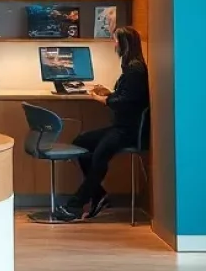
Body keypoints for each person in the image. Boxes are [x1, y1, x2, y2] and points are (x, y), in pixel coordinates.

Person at [56, 27, 150, 223]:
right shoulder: (130, 67)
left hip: (128, 130)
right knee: (81, 142)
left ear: (124, 43)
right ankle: (98, 194)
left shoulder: (135, 69)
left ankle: (75, 205)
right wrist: (109, 93)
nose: (113, 44)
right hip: (120, 127)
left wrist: (102, 99)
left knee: (100, 155)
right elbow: (126, 96)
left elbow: (125, 102)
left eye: (115, 40)